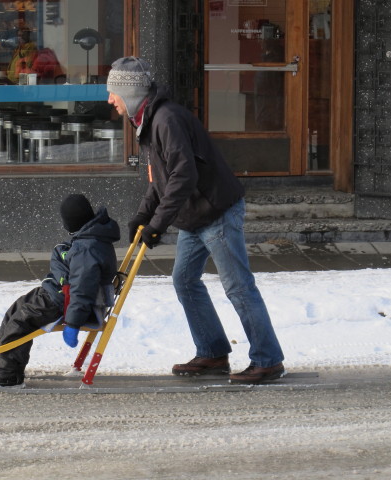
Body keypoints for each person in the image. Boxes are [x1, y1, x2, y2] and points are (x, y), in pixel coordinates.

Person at [106, 56, 285, 385]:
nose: (109, 100)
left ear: (128, 93)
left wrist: (158, 223)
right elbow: (161, 179)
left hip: (214, 211)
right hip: (194, 214)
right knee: (185, 281)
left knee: (238, 287)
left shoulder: (165, 120)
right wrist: (145, 215)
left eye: (113, 92)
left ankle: (268, 359)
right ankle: (213, 352)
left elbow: (183, 176)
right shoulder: (149, 121)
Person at [0, 194, 121, 388]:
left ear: (72, 222)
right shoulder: (90, 239)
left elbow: (82, 290)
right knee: (17, 309)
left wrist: (73, 322)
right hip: (57, 293)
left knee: (21, 323)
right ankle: (1, 364)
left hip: (63, 302)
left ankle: (9, 376)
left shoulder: (87, 248)